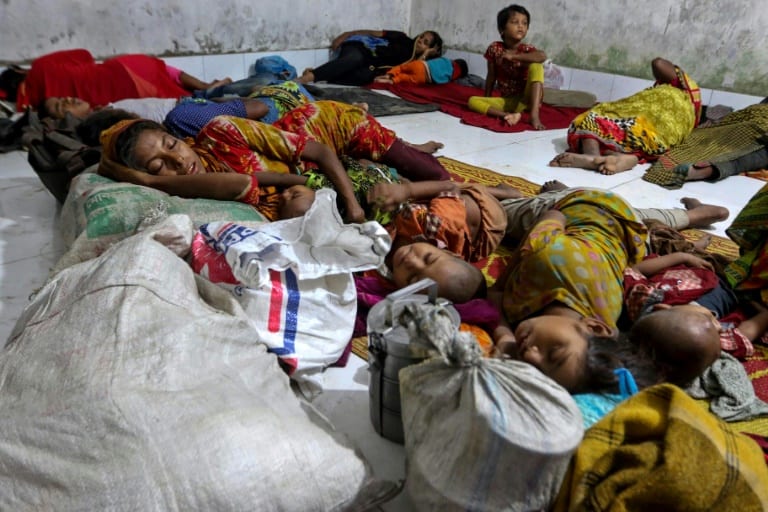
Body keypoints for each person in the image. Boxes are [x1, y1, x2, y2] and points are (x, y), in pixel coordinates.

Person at [97, 100, 447, 223]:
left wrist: (353, 208)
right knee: (397, 184)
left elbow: (321, 152)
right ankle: (404, 149)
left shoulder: (221, 131)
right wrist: (152, 183)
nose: (177, 161)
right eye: (159, 167)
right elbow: (237, 184)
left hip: (325, 127)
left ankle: (413, 146)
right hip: (312, 175)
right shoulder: (189, 190)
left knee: (433, 175)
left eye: (172, 144)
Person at [623, 251, 768, 385]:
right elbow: (746, 331)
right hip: (737, 291)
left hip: (694, 270)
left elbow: (636, 270)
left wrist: (683, 256)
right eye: (716, 331)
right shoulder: (704, 345)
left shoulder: (644, 301)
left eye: (707, 321)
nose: (718, 326)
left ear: (662, 308)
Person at [549, 57, 702, 175]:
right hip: (651, 133)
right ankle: (617, 157)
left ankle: (592, 156)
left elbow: (658, 63)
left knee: (593, 118)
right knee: (610, 125)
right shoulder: (688, 113)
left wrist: (679, 73)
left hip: (645, 122)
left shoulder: (683, 89)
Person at [41, 80, 317, 138]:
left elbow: (259, 108)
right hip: (280, 106)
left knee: (270, 82)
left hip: (289, 103)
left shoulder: (180, 119)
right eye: (59, 106)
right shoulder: (182, 130)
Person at [0, 48, 232, 112]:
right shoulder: (40, 67)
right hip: (118, 72)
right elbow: (84, 55)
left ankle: (211, 94)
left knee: (183, 102)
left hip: (122, 98)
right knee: (159, 68)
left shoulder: (37, 108)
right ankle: (207, 87)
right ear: (20, 72)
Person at [642, 103, 768, 189]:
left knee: (709, 137)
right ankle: (702, 170)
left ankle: (699, 167)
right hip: (754, 124)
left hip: (750, 121)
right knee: (735, 158)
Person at [467, 5, 547, 130]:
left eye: (524, 23)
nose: (521, 26)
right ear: (502, 29)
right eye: (515, 22)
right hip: (508, 101)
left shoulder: (528, 50)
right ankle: (508, 116)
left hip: (527, 100)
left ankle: (534, 115)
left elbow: (542, 56)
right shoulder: (495, 48)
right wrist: (487, 98)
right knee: (472, 101)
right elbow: (491, 76)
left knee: (537, 66)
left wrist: (514, 57)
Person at [297, 29, 444, 86]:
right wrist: (346, 34)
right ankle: (308, 78)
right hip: (361, 47)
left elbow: (415, 70)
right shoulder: (402, 37)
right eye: (421, 36)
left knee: (365, 76)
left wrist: (425, 55)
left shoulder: (415, 62)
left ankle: (319, 73)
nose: (420, 40)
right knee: (355, 59)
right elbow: (374, 33)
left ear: (430, 50)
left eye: (425, 43)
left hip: (370, 64)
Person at [373, 57, 468, 86]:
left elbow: (436, 61)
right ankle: (390, 81)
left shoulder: (446, 60)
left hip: (421, 65)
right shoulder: (454, 75)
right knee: (403, 78)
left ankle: (389, 74)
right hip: (424, 78)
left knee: (401, 68)